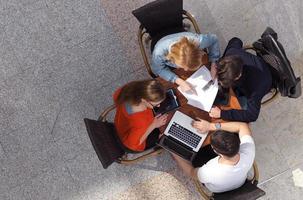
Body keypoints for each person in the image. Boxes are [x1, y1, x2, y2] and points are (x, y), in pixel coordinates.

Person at [172, 120, 255, 193]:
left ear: (215, 151)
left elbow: (191, 172)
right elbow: (243, 126)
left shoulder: (208, 171)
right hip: (238, 183)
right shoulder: (249, 150)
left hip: (216, 187)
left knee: (196, 154)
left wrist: (174, 152)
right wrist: (210, 126)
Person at [210, 37, 272, 122]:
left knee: (236, 110)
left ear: (237, 77)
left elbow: (252, 116)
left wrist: (221, 114)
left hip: (262, 82)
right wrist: (214, 66)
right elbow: (236, 40)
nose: (218, 83)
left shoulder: (254, 90)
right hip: (257, 67)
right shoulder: (231, 53)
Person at [151, 32, 220, 93]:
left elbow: (214, 39)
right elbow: (158, 69)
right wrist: (178, 81)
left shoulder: (198, 41)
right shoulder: (159, 53)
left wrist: (214, 64)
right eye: (182, 66)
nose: (186, 70)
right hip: (162, 42)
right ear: (171, 58)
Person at [113, 80, 168, 152]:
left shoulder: (130, 88)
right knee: (165, 135)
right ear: (144, 100)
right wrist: (154, 125)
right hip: (128, 143)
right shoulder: (141, 121)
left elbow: (115, 96)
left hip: (120, 123)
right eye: (155, 104)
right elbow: (134, 145)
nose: (159, 105)